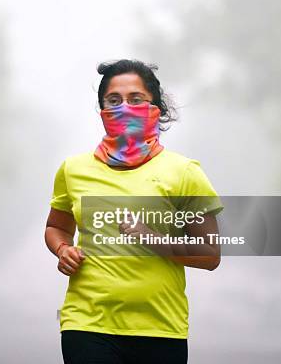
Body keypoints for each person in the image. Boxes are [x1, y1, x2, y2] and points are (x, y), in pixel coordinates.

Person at [44, 59, 224, 364]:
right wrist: (63, 249)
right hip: (86, 323)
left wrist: (151, 238)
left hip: (160, 328)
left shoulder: (184, 172)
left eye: (135, 99)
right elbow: (56, 227)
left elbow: (210, 255)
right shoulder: (73, 169)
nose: (124, 107)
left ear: (156, 108)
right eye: (113, 100)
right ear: (101, 110)